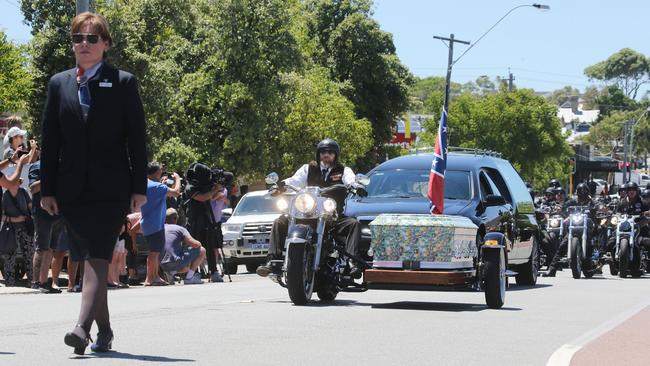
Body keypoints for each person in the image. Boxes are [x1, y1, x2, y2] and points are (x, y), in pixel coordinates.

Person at [40, 12, 148, 355]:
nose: (83, 45)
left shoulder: (123, 82)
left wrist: (139, 188)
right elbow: (51, 139)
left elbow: (137, 139)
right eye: (77, 38)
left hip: (110, 188)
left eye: (90, 38)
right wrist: (48, 189)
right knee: (89, 259)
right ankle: (105, 331)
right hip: (71, 190)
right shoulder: (59, 83)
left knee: (98, 256)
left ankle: (80, 328)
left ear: (105, 44)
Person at [256, 138, 362, 278]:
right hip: (306, 214)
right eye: (323, 152)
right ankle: (272, 262)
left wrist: (356, 186)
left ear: (336, 155)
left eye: (330, 152)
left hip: (332, 216)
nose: (326, 154)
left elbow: (351, 180)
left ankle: (351, 263)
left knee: (353, 224)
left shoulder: (343, 170)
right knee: (280, 222)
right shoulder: (308, 169)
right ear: (318, 154)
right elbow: (294, 181)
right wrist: (280, 185)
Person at [140, 162, 181, 286]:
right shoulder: (158, 187)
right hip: (155, 224)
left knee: (153, 252)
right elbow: (176, 192)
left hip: (146, 223)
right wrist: (177, 179)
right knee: (155, 252)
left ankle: (152, 276)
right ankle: (151, 278)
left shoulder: (145, 184)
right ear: (157, 173)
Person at [544, 183, 596, 277]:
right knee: (562, 246)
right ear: (577, 193)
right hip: (574, 229)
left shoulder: (591, 202)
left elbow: (599, 207)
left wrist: (601, 208)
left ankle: (590, 264)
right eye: (580, 192)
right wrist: (559, 209)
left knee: (592, 243)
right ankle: (552, 270)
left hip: (587, 228)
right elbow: (564, 207)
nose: (582, 194)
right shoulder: (572, 202)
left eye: (584, 192)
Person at [28, 161, 64, 293]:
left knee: (50, 248)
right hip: (42, 214)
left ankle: (44, 282)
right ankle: (35, 282)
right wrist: (49, 177)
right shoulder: (37, 166)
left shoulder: (61, 165)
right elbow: (32, 188)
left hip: (57, 214)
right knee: (41, 248)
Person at [1, 171, 35, 287]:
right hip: (11, 230)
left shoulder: (23, 192)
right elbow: (1, 216)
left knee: (29, 255)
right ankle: (10, 283)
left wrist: (31, 218)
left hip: (26, 229)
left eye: (18, 182)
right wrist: (15, 220)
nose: (18, 184)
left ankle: (32, 281)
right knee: (9, 256)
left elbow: (31, 207)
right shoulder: (5, 196)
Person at [160, 208, 206, 285]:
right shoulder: (180, 229)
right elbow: (195, 244)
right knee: (202, 250)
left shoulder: (160, 229)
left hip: (161, 264)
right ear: (175, 219)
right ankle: (189, 278)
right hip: (176, 262)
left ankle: (170, 272)